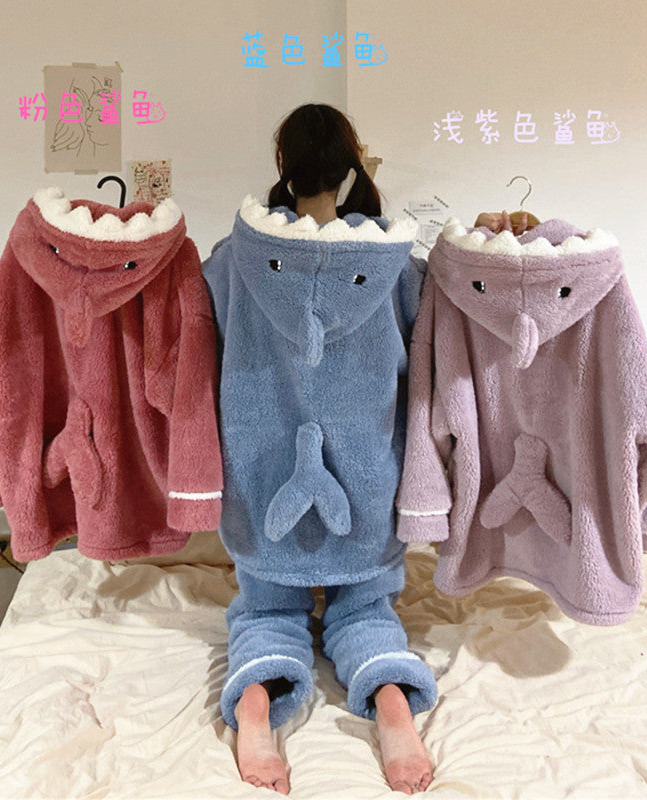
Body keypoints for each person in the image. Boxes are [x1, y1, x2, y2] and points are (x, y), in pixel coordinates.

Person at [203, 103, 437, 795]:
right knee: (366, 611)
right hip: (367, 483)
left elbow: (194, 347)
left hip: (261, 482)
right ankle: (390, 701)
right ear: (352, 163)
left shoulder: (232, 262)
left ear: (284, 163)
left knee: (267, 612)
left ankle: (256, 703)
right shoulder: (396, 268)